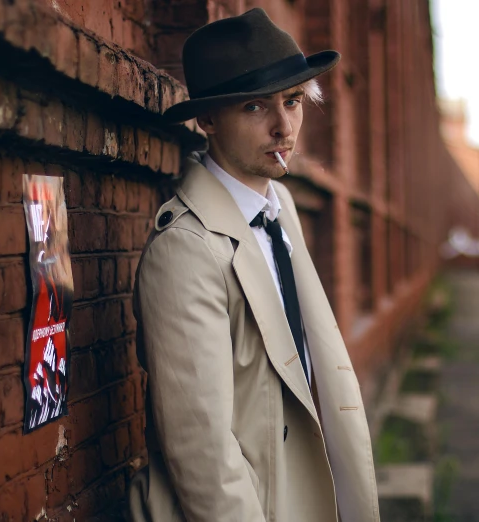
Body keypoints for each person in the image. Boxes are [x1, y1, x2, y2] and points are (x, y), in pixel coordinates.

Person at [128, 8, 380, 522]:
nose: (282, 126)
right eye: (253, 107)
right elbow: (203, 452)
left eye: (292, 102)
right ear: (208, 120)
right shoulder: (185, 249)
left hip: (306, 490)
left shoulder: (280, 208)